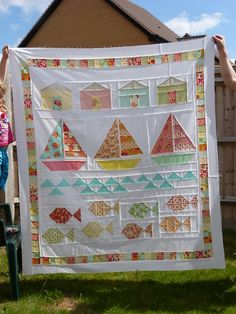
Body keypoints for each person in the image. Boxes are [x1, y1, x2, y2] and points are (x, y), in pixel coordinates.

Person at [0, 46, 14, 196]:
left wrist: (4, 58)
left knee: (2, 181)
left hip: (3, 151)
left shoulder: (1, 106)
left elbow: (0, 78)